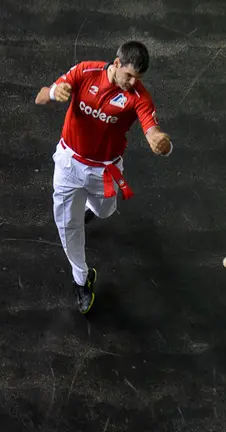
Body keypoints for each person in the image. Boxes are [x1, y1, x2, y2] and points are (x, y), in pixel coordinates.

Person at [34, 41, 172, 315]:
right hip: (69, 165)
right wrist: (53, 91)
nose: (133, 83)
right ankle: (81, 278)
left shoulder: (138, 97)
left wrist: (161, 142)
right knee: (68, 226)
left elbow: (152, 129)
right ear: (117, 63)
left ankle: (90, 208)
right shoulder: (85, 72)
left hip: (104, 172)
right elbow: (40, 97)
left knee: (105, 210)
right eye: (129, 75)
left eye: (139, 79)